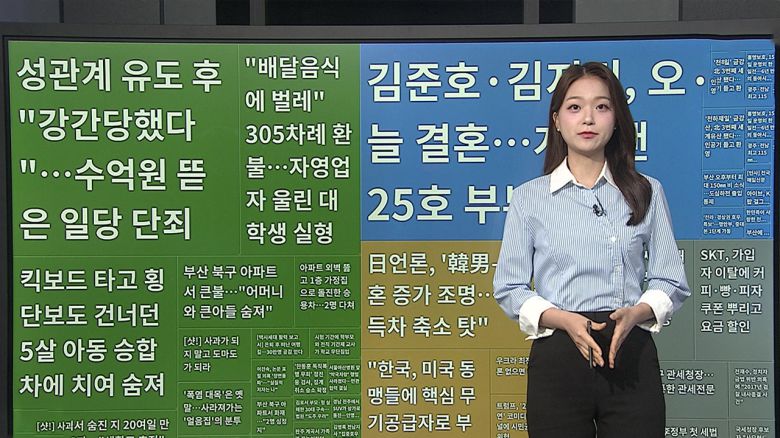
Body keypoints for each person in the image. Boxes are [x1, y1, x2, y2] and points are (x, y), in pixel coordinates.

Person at [493, 62, 690, 438]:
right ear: (556, 120)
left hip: (629, 351)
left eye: (601, 106)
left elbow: (670, 279)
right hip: (559, 356)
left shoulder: (647, 191)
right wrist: (563, 320)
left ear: (617, 119)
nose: (588, 118)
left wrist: (638, 312)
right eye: (575, 107)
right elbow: (509, 287)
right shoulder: (529, 198)